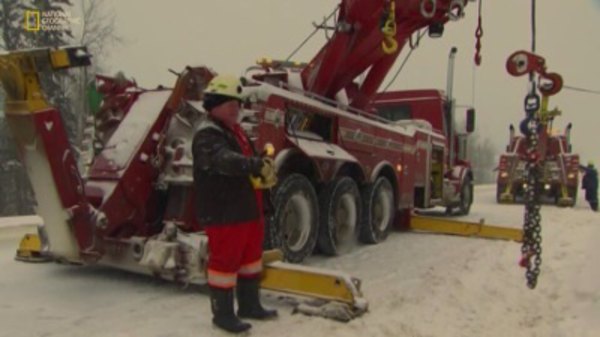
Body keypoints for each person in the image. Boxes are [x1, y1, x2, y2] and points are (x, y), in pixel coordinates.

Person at [192, 75, 278, 333]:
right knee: (224, 264)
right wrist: (254, 164)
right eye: (229, 102)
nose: (235, 107)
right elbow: (222, 160)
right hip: (225, 212)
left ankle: (250, 305)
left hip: (246, 210)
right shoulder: (207, 133)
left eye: (237, 103)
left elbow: (242, 161)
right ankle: (223, 315)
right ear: (213, 104)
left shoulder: (234, 131)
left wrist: (260, 165)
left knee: (251, 260)